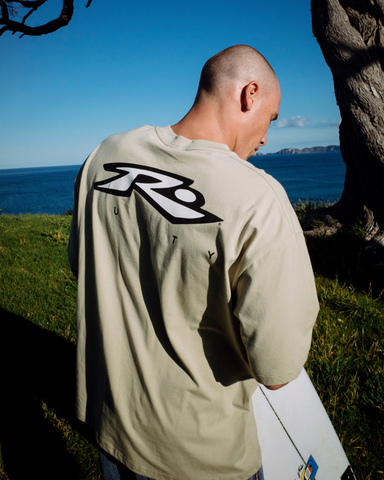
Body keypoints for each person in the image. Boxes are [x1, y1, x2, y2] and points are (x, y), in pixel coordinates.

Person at [68, 44, 319, 480]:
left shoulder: (103, 156)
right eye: (271, 119)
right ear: (249, 95)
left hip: (110, 426)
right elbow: (277, 369)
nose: (264, 138)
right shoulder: (257, 198)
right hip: (201, 456)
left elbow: (82, 264)